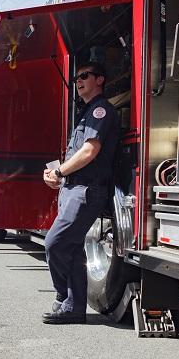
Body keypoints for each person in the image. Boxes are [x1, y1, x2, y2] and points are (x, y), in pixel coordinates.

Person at [41, 62, 120, 325]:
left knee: (55, 242)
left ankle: (64, 297)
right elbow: (77, 154)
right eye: (76, 77)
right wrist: (57, 175)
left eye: (84, 76)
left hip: (86, 190)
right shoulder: (86, 112)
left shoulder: (100, 110)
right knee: (72, 249)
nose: (78, 80)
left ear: (100, 79)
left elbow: (89, 151)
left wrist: (60, 172)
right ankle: (74, 308)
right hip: (74, 188)